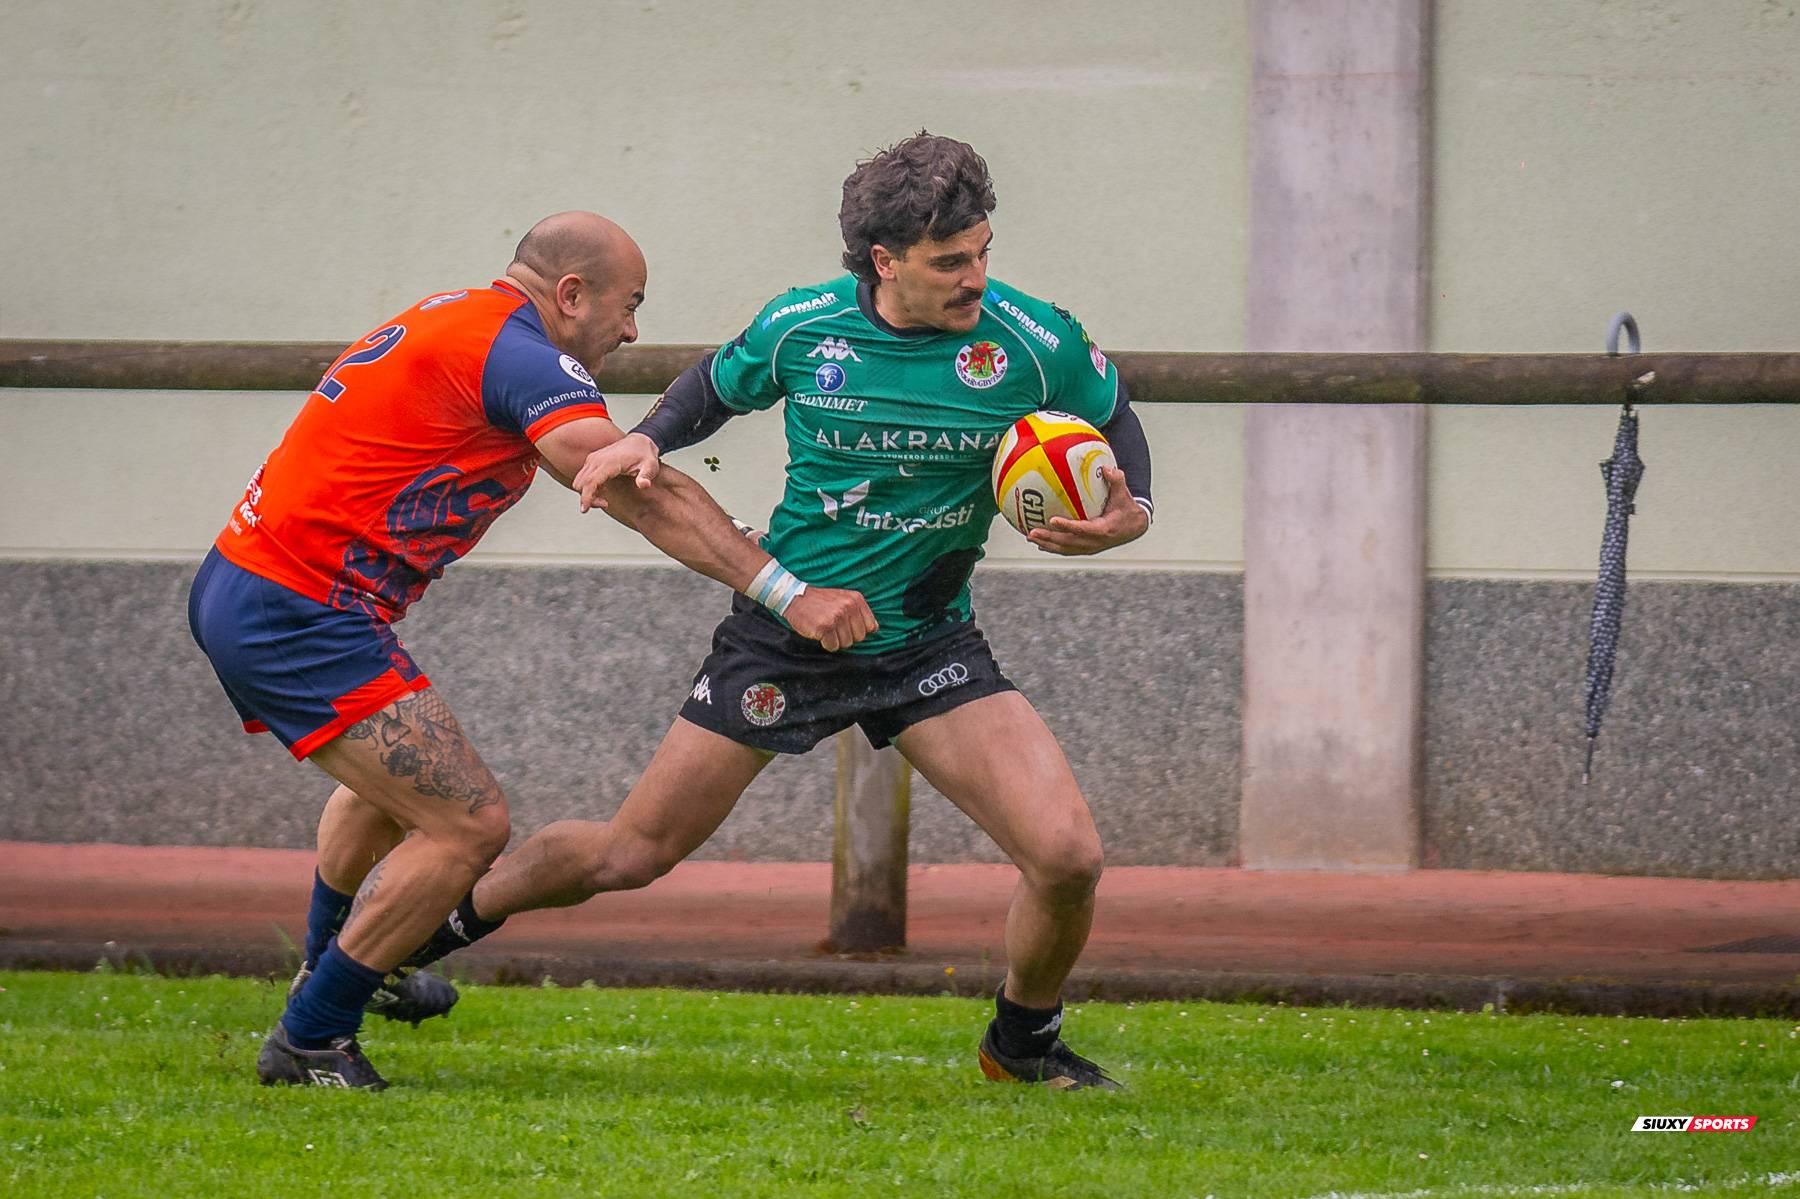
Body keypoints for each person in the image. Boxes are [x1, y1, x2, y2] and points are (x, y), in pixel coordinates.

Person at [400, 134, 1155, 1091]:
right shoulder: (804, 325)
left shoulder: (1029, 337)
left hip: (926, 642)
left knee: (1068, 855)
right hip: (788, 631)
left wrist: (1134, 512)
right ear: (884, 263)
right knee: (632, 853)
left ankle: (1022, 1042)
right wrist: (642, 441)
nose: (977, 279)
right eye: (951, 261)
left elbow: (1114, 407)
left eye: (983, 253)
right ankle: (425, 930)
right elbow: (713, 389)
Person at [188, 212, 875, 1089]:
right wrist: (786, 591)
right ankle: (312, 1034)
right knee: (468, 825)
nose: (632, 331)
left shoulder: (466, 317)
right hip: (295, 608)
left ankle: (334, 965)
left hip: (264, 586)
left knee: (392, 794)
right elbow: (634, 488)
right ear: (571, 294)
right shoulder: (521, 355)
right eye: (629, 307)